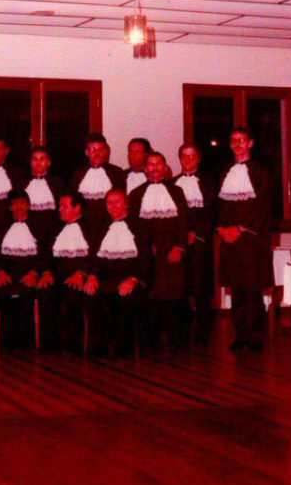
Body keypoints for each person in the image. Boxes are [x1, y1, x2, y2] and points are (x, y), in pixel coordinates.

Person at [216, 127, 273, 351]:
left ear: (250, 143)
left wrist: (240, 228)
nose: (237, 144)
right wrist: (222, 229)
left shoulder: (261, 171)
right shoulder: (226, 171)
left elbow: (263, 206)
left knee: (252, 289)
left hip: (251, 238)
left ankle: (256, 336)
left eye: (242, 140)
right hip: (230, 239)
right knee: (237, 288)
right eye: (234, 140)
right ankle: (240, 335)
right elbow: (221, 205)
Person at [130, 151, 189, 350]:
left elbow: (183, 221)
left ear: (165, 167)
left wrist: (179, 246)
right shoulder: (136, 194)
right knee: (150, 294)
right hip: (148, 251)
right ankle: (150, 340)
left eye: (158, 164)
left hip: (172, 249)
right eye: (151, 164)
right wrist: (145, 247)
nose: (155, 167)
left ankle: (175, 339)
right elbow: (134, 226)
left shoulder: (177, 191)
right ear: (145, 168)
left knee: (173, 294)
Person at [91, 188, 151, 358]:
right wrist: (92, 276)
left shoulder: (139, 227)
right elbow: (95, 257)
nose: (113, 206)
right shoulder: (100, 227)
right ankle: (99, 348)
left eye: (117, 201)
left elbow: (146, 259)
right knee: (90, 294)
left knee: (126, 297)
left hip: (131, 278)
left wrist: (133, 279)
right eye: (109, 202)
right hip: (106, 279)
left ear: (126, 204)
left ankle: (123, 349)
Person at [38, 192, 98, 354]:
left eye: (64, 206)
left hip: (80, 276)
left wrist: (82, 273)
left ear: (77, 208)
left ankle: (72, 345)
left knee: (73, 295)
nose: (60, 210)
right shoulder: (55, 228)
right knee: (45, 292)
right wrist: (46, 272)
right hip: (57, 276)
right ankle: (50, 345)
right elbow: (45, 254)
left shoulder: (91, 228)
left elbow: (96, 257)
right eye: (60, 206)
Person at [173, 143, 218, 346]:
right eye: (184, 155)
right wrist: (182, 235)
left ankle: (202, 334)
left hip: (201, 242)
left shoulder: (209, 182)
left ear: (198, 158)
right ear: (179, 159)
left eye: (192, 156)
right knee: (180, 288)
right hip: (179, 242)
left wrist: (196, 233)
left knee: (201, 289)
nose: (188, 159)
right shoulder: (172, 183)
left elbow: (212, 212)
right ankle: (181, 334)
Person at [0, 189, 45, 348]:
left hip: (30, 273)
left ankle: (26, 343)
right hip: (7, 273)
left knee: (26, 295)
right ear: (10, 207)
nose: (19, 207)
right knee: (2, 293)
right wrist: (0, 272)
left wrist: (34, 272)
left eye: (22, 203)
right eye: (15, 204)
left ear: (28, 205)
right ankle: (6, 343)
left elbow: (44, 254)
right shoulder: (1, 227)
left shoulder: (38, 227)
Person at [69, 132, 126, 227]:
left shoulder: (117, 172)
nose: (96, 153)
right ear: (86, 152)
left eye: (100, 149)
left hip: (110, 224)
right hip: (84, 225)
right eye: (92, 149)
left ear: (105, 151)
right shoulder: (77, 174)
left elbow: (121, 203)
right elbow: (74, 203)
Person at [18, 146, 64, 243]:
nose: (38, 162)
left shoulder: (57, 183)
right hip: (27, 230)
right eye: (35, 159)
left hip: (52, 231)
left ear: (49, 162)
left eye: (42, 159)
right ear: (30, 162)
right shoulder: (22, 183)